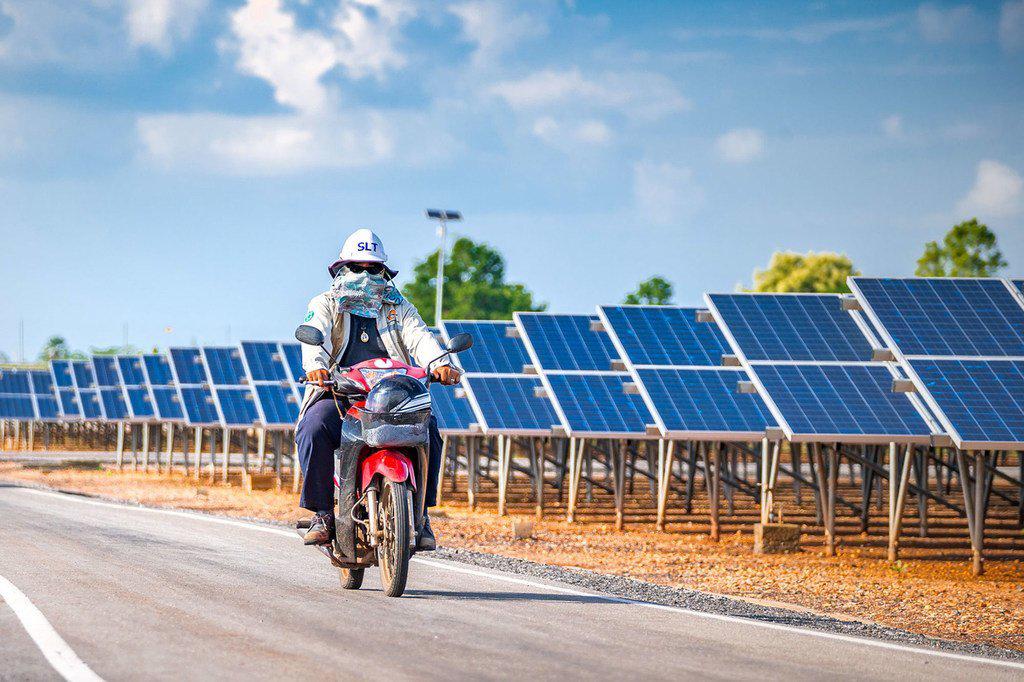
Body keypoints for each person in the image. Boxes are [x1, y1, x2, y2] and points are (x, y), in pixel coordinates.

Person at [294, 228, 461, 550]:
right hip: (341, 392)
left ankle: (421, 515)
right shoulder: (326, 303)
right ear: (342, 269)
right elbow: (314, 333)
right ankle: (323, 513)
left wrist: (441, 363)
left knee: (431, 431)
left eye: (373, 269)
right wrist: (315, 367)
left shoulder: (399, 307)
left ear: (384, 272)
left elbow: (420, 338)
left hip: (394, 393)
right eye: (357, 268)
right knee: (314, 428)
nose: (365, 275)